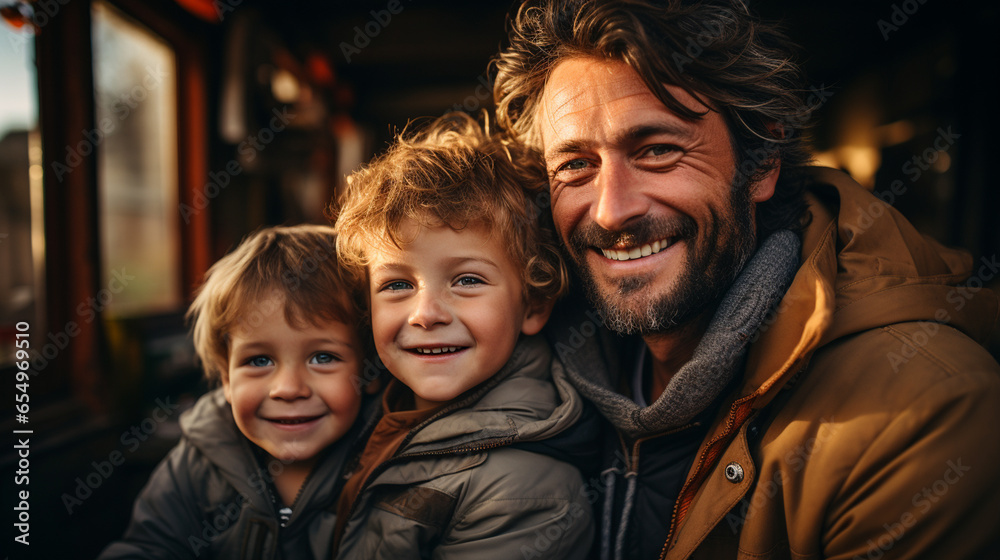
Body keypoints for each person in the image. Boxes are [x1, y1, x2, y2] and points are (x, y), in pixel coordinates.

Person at [492, 1, 1000, 559]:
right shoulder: (513, 356)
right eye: (574, 166)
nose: (611, 212)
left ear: (761, 164)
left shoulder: (928, 414)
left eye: (658, 151)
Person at [330, 112, 594, 559]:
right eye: (397, 285)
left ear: (533, 305)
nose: (426, 314)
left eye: (467, 280)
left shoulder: (529, 494)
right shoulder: (367, 412)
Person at [99, 225, 379, 560]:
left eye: (323, 357)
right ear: (226, 380)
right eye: (259, 360)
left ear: (368, 370)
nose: (288, 389)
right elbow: (146, 548)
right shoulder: (200, 458)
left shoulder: (389, 463)